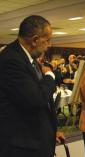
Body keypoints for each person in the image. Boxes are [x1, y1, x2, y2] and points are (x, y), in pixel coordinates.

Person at [0, 15, 64, 157]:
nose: (50, 45)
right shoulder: (11, 60)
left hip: (36, 141)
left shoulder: (29, 60)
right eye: (48, 40)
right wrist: (50, 76)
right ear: (35, 40)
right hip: (23, 148)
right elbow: (36, 99)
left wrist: (50, 132)